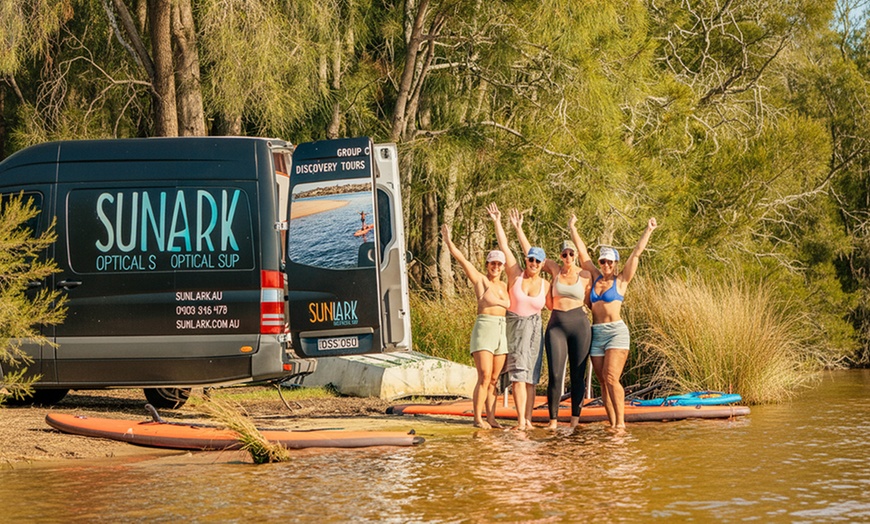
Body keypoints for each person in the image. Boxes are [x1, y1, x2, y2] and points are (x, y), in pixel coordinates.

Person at [569, 215, 658, 430]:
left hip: (616, 332)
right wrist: (572, 227)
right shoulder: (595, 276)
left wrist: (648, 230)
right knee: (602, 383)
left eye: (610, 261)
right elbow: (582, 253)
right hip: (596, 333)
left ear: (615, 263)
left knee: (611, 377)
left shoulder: (621, 280)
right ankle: (612, 424)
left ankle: (621, 424)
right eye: (603, 261)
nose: (606, 264)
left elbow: (636, 254)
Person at [512, 211, 592, 430]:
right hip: (557, 324)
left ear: (575, 256)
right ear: (560, 256)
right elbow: (532, 256)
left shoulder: (585, 274)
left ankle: (575, 420)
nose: (567, 258)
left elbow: (585, 253)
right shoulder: (555, 270)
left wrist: (573, 228)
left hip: (579, 324)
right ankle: (553, 421)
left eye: (571, 254)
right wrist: (519, 229)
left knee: (578, 373)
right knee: (556, 373)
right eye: (564, 254)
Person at [487, 203, 550, 430]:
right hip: (515, 327)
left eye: (536, 261)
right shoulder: (516, 274)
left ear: (543, 264)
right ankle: (521, 420)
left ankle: (528, 420)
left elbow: (556, 304)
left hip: (534, 330)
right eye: (530, 259)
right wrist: (498, 222)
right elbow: (504, 246)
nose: (532, 263)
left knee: (531, 377)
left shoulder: (546, 284)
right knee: (518, 375)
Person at [441, 225, 510, 429]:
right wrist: (448, 241)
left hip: (501, 330)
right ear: (487, 264)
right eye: (492, 263)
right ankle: (477, 418)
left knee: (494, 379)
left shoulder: (505, 286)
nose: (495, 267)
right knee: (484, 375)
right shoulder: (480, 280)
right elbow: (462, 261)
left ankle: (491, 417)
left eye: (499, 264)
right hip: (484, 328)